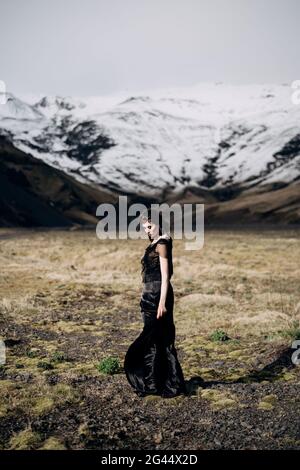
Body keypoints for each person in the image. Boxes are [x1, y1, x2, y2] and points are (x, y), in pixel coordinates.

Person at [124, 209, 187, 398]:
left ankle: (160, 384)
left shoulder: (162, 244)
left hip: (158, 297)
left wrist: (161, 303)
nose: (147, 230)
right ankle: (157, 382)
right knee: (154, 339)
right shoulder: (155, 243)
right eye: (144, 227)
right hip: (149, 296)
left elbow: (166, 276)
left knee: (160, 339)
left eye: (150, 226)